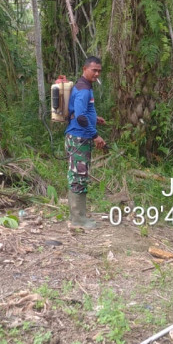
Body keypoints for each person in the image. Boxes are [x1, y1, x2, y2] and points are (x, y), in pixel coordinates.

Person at [64, 56, 107, 228]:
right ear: (84, 68)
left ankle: (79, 216)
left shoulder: (85, 86)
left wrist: (95, 118)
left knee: (79, 175)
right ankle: (78, 219)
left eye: (99, 71)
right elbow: (80, 117)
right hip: (78, 138)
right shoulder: (83, 89)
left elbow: (81, 112)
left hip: (79, 136)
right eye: (93, 70)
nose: (96, 73)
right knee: (78, 176)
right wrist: (96, 135)